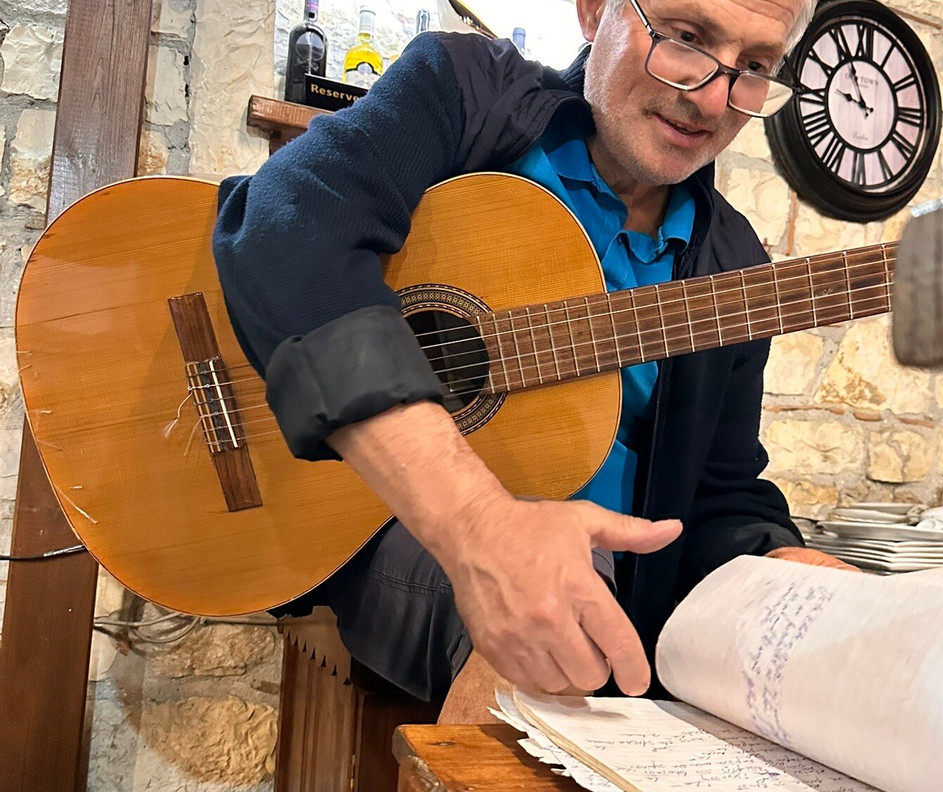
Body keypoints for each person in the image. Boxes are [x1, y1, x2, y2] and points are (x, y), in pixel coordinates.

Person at [212, 0, 852, 723]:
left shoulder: (732, 267)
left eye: (755, 66)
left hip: (619, 618)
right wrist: (479, 524)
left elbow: (720, 494)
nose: (711, 98)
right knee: (563, 593)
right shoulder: (467, 93)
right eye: (685, 37)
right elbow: (288, 228)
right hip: (386, 526)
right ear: (595, 11)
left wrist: (796, 573)